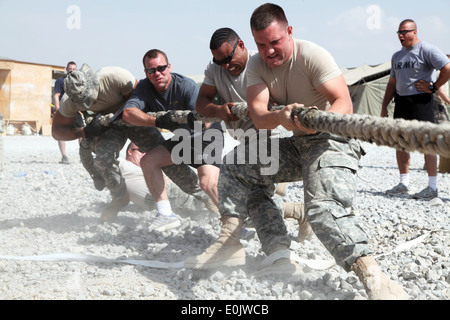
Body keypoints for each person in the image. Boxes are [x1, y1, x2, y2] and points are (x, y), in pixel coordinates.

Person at [215, 3, 407, 300]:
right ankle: (273, 252)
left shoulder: (311, 55)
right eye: (262, 45)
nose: (269, 51)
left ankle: (375, 278)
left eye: (275, 42)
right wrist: (282, 117)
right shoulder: (256, 66)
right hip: (298, 143)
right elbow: (259, 116)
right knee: (238, 164)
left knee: (321, 210)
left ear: (289, 32)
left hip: (332, 140)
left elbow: (344, 103)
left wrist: (314, 121)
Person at [184, 27, 312, 270]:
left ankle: (270, 250)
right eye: (218, 61)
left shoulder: (261, 63)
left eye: (228, 59)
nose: (225, 66)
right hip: (244, 139)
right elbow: (202, 104)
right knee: (252, 196)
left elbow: (283, 100)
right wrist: (219, 111)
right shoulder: (215, 70)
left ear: (241, 45)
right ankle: (291, 221)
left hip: (270, 137)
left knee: (251, 192)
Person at [52, 64, 206, 223]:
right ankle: (119, 197)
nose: (89, 102)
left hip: (133, 121)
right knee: (103, 161)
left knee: (164, 159)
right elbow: (57, 131)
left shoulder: (115, 77)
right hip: (106, 128)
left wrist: (139, 125)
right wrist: (85, 132)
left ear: (94, 83)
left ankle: (201, 195)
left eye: (90, 97)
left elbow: (143, 98)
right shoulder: (69, 102)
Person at [115, 49, 222, 232]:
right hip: (184, 139)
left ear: (169, 67)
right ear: (146, 73)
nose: (157, 73)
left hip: (207, 135)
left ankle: (236, 221)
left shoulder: (185, 86)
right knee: (148, 161)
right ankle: (165, 214)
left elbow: (203, 122)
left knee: (207, 183)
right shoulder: (144, 87)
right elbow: (127, 113)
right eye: (151, 70)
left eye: (161, 68)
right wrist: (158, 120)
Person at [382, 19, 450, 200]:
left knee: (427, 142)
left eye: (404, 32)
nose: (401, 36)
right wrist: (384, 106)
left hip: (422, 101)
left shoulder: (427, 49)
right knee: (401, 143)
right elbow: (392, 83)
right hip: (402, 103)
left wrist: (434, 87)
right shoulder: (397, 56)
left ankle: (432, 187)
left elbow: (447, 68)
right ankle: (403, 183)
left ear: (415, 32)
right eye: (399, 33)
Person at [119, 142, 207, 213]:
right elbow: (108, 159)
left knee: (205, 186)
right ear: (130, 152)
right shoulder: (124, 165)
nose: (145, 154)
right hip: (164, 193)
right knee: (204, 193)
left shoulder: (146, 168)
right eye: (142, 150)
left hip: (159, 198)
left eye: (148, 151)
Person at [53, 61, 77, 164]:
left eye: (73, 69)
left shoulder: (78, 82)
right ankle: (64, 156)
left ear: (76, 70)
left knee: (81, 132)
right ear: (66, 69)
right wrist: (57, 109)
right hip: (63, 110)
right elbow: (56, 95)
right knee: (60, 133)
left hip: (76, 110)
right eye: (70, 69)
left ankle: (83, 154)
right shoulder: (60, 81)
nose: (71, 71)